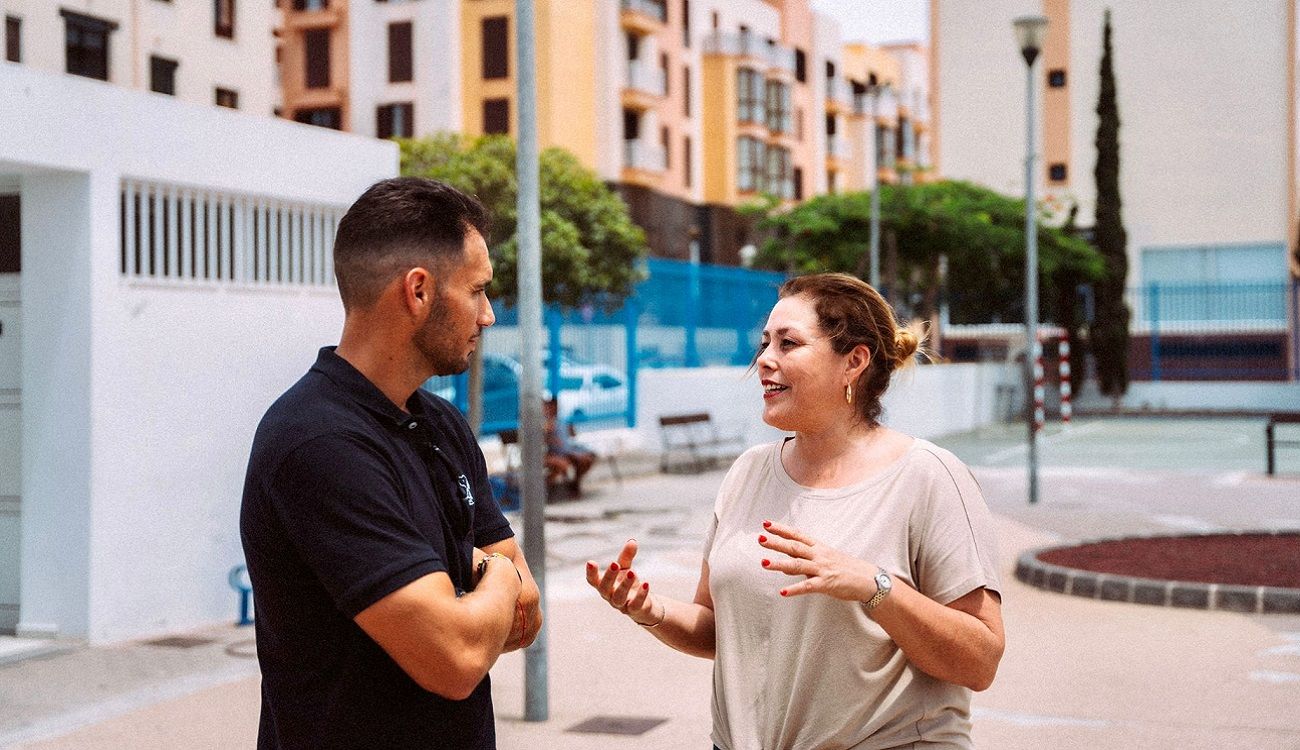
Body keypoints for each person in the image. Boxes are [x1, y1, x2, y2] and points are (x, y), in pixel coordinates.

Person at [587, 273, 1004, 750]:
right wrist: (652, 611)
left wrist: (875, 587)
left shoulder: (928, 476)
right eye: (765, 342)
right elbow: (720, 631)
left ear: (854, 362)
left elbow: (980, 661)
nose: (765, 359)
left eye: (788, 343)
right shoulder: (748, 473)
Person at [241, 177, 542, 750]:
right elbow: (456, 658)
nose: (488, 316)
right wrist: (496, 575)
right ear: (419, 291)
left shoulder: (442, 425)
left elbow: (525, 620)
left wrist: (480, 599)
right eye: (477, 291)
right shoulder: (318, 443)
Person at [543, 398, 596, 496]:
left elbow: (572, 435)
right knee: (563, 464)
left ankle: (574, 484)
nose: (553, 409)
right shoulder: (544, 423)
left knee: (586, 460)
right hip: (555, 453)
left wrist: (572, 424)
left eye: (555, 406)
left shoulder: (561, 421)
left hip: (566, 452)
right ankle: (545, 488)